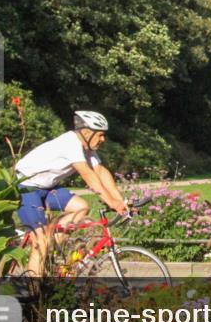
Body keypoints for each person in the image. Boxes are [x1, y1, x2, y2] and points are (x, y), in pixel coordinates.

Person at [14, 110, 128, 276]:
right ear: (87, 132)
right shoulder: (70, 143)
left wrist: (120, 201)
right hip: (27, 186)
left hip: (47, 187)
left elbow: (100, 171)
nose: (103, 139)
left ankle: (48, 250)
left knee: (81, 207)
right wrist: (111, 202)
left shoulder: (86, 148)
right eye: (101, 135)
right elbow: (89, 176)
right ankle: (33, 293)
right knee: (41, 241)